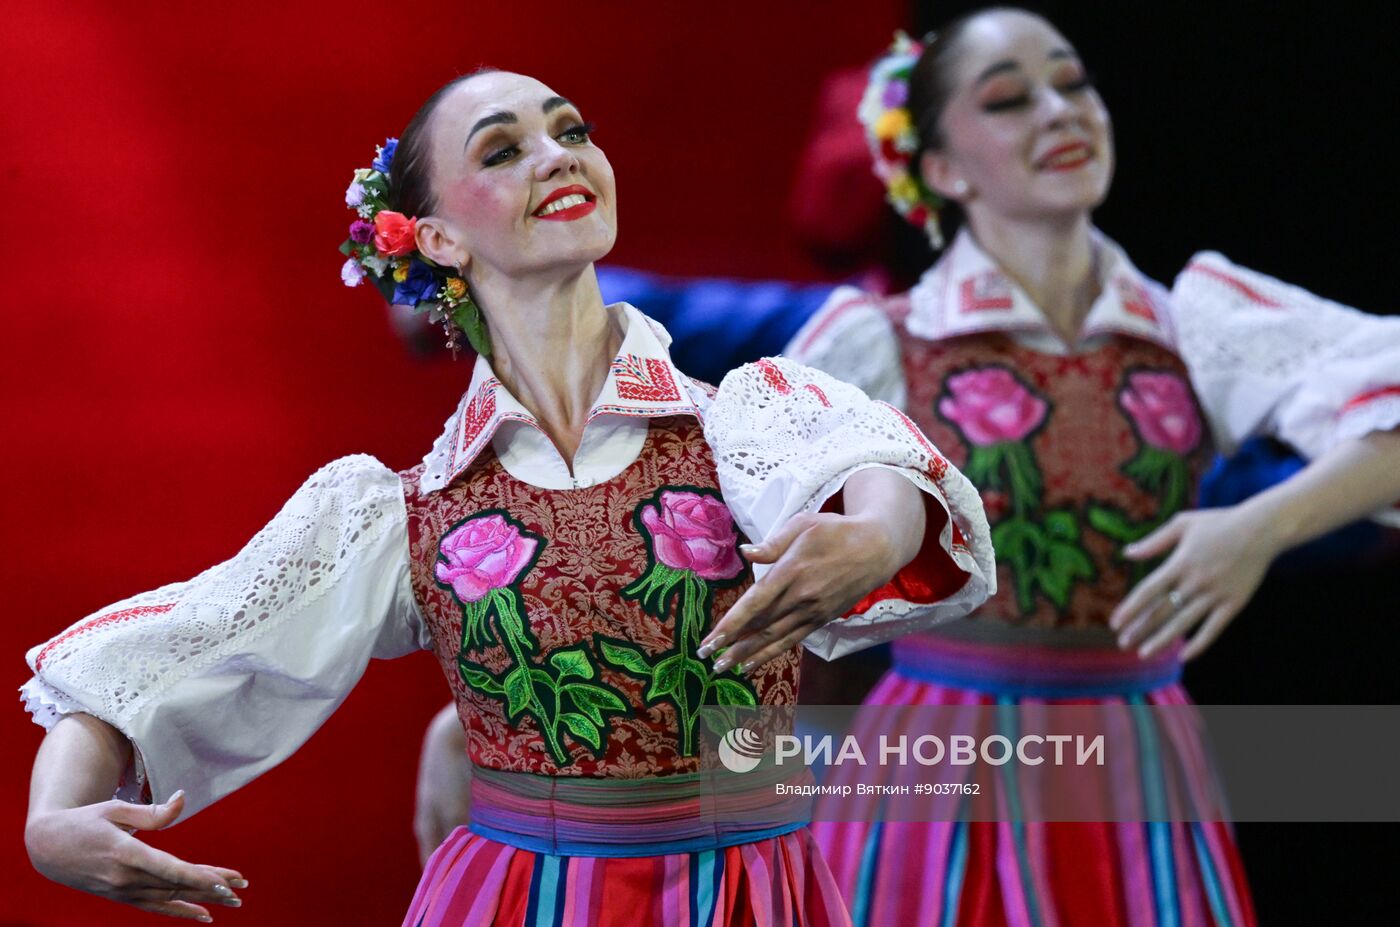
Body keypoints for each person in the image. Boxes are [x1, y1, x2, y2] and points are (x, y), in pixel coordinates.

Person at [20, 69, 997, 925]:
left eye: (570, 131)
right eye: (503, 149)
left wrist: (873, 533)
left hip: (748, 890)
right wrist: (54, 817)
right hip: (521, 897)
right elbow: (176, 649)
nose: (556, 156)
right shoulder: (403, 512)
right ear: (436, 235)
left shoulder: (740, 420)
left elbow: (878, 460)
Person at [781, 10, 1400, 926]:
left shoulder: (1192, 320)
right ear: (944, 169)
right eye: (1008, 100)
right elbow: (727, 544)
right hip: (939, 751)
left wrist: (1257, 529)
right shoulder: (879, 340)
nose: (1059, 113)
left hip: (1137, 747)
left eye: (1073, 85)